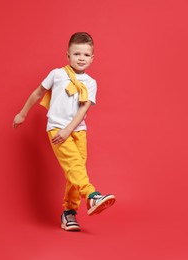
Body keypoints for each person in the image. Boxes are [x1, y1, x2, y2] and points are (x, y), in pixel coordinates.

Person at [13, 32, 115, 232]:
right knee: (75, 166)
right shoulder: (57, 74)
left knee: (74, 171)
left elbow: (84, 108)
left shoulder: (91, 83)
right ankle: (92, 196)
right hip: (58, 129)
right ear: (67, 55)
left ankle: (69, 213)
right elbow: (38, 93)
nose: (81, 58)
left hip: (78, 131)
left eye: (86, 55)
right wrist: (22, 113)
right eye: (76, 54)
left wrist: (72, 129)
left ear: (92, 58)